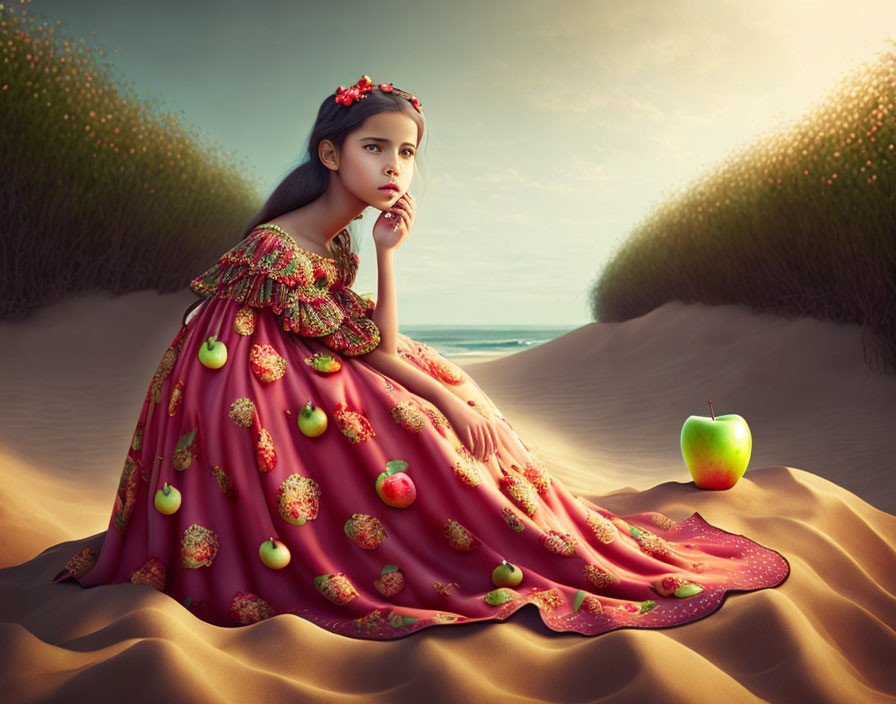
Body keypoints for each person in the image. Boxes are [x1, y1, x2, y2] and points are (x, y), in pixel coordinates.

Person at [53, 75, 790, 639]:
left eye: (407, 152)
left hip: (293, 359)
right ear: (331, 154)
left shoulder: (340, 238)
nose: (395, 166)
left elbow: (375, 339)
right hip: (247, 388)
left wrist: (386, 258)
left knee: (436, 380)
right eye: (376, 148)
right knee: (421, 409)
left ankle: (498, 521)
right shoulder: (279, 246)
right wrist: (446, 402)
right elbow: (362, 349)